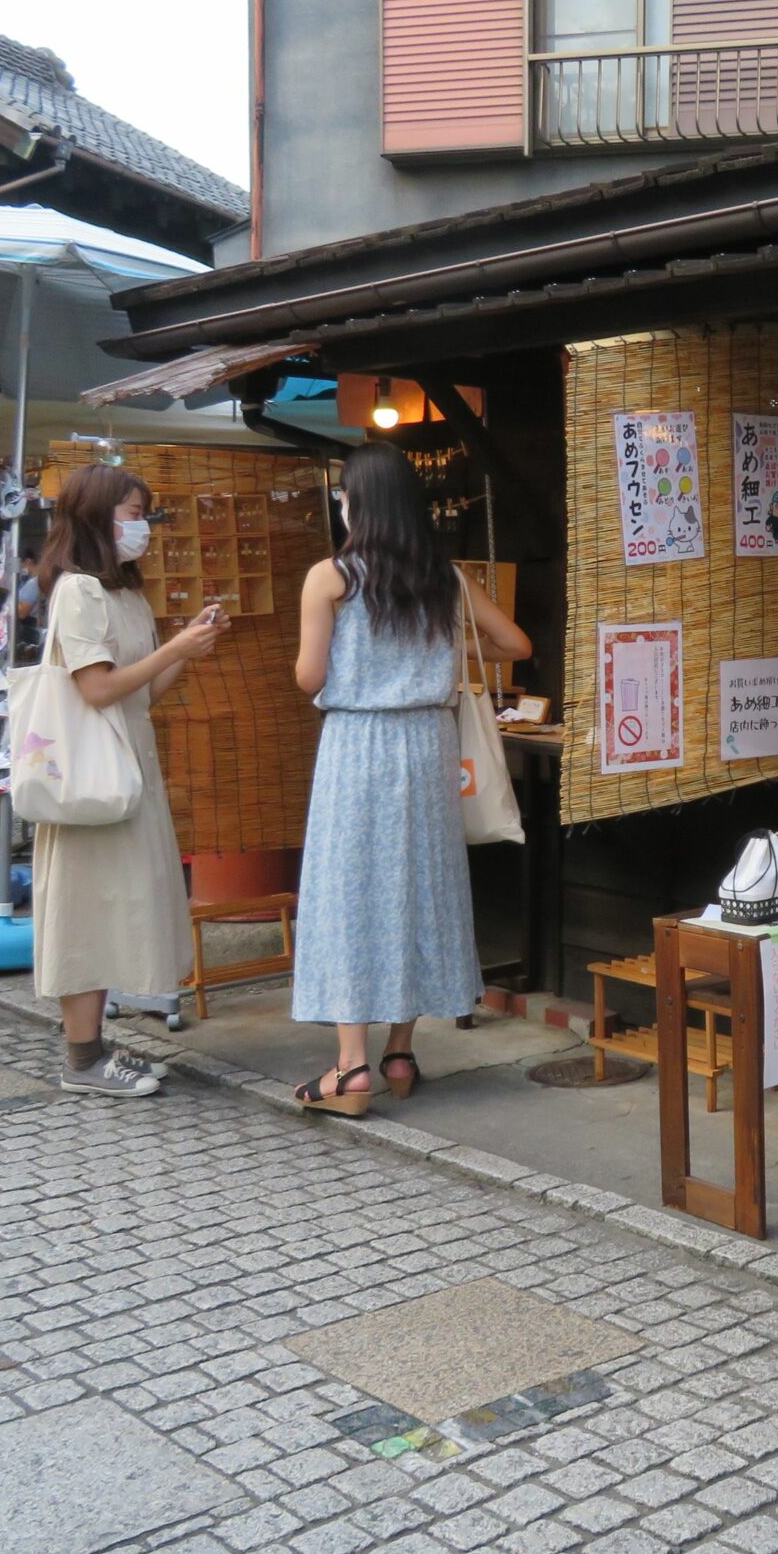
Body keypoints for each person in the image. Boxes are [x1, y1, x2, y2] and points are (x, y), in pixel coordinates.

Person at [289, 443, 528, 1114]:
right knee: (419, 887)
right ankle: (400, 1052)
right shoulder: (445, 578)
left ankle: (350, 1068)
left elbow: (309, 677)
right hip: (429, 744)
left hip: (358, 746)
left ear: (354, 503)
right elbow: (514, 644)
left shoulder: (330, 577)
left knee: (348, 893)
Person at [30, 465, 222, 1098]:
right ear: (96, 517)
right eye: (133, 513)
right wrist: (174, 651)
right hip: (93, 774)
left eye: (145, 513)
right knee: (87, 909)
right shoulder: (77, 590)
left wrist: (187, 650)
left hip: (128, 763)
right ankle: (81, 1059)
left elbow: (140, 694)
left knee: (116, 905)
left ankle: (96, 1051)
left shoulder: (124, 593)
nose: (143, 526)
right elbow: (97, 688)